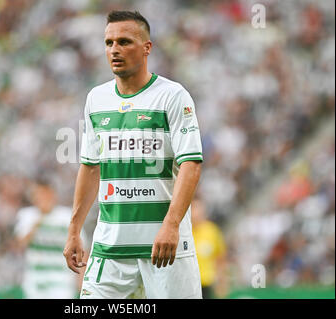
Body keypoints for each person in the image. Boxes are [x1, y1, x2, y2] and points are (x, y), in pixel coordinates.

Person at [63, 10, 203, 299]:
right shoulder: (96, 99)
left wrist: (172, 225)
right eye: (109, 42)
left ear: (147, 48)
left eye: (124, 42)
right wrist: (74, 229)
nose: (114, 49)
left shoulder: (172, 96)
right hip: (109, 251)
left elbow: (191, 164)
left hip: (164, 249)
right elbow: (90, 168)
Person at [15, 177, 86, 298]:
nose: (42, 199)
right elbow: (21, 243)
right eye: (39, 195)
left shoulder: (68, 217)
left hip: (61, 279)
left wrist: (82, 278)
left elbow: (83, 248)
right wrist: (40, 218)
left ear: (53, 195)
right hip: (35, 280)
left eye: (45, 194)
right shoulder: (27, 215)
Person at [191, 199, 228, 299]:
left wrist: (222, 282)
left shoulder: (212, 231)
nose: (195, 214)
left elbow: (220, 258)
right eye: (193, 210)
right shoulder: (185, 232)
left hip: (207, 282)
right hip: (189, 282)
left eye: (198, 210)